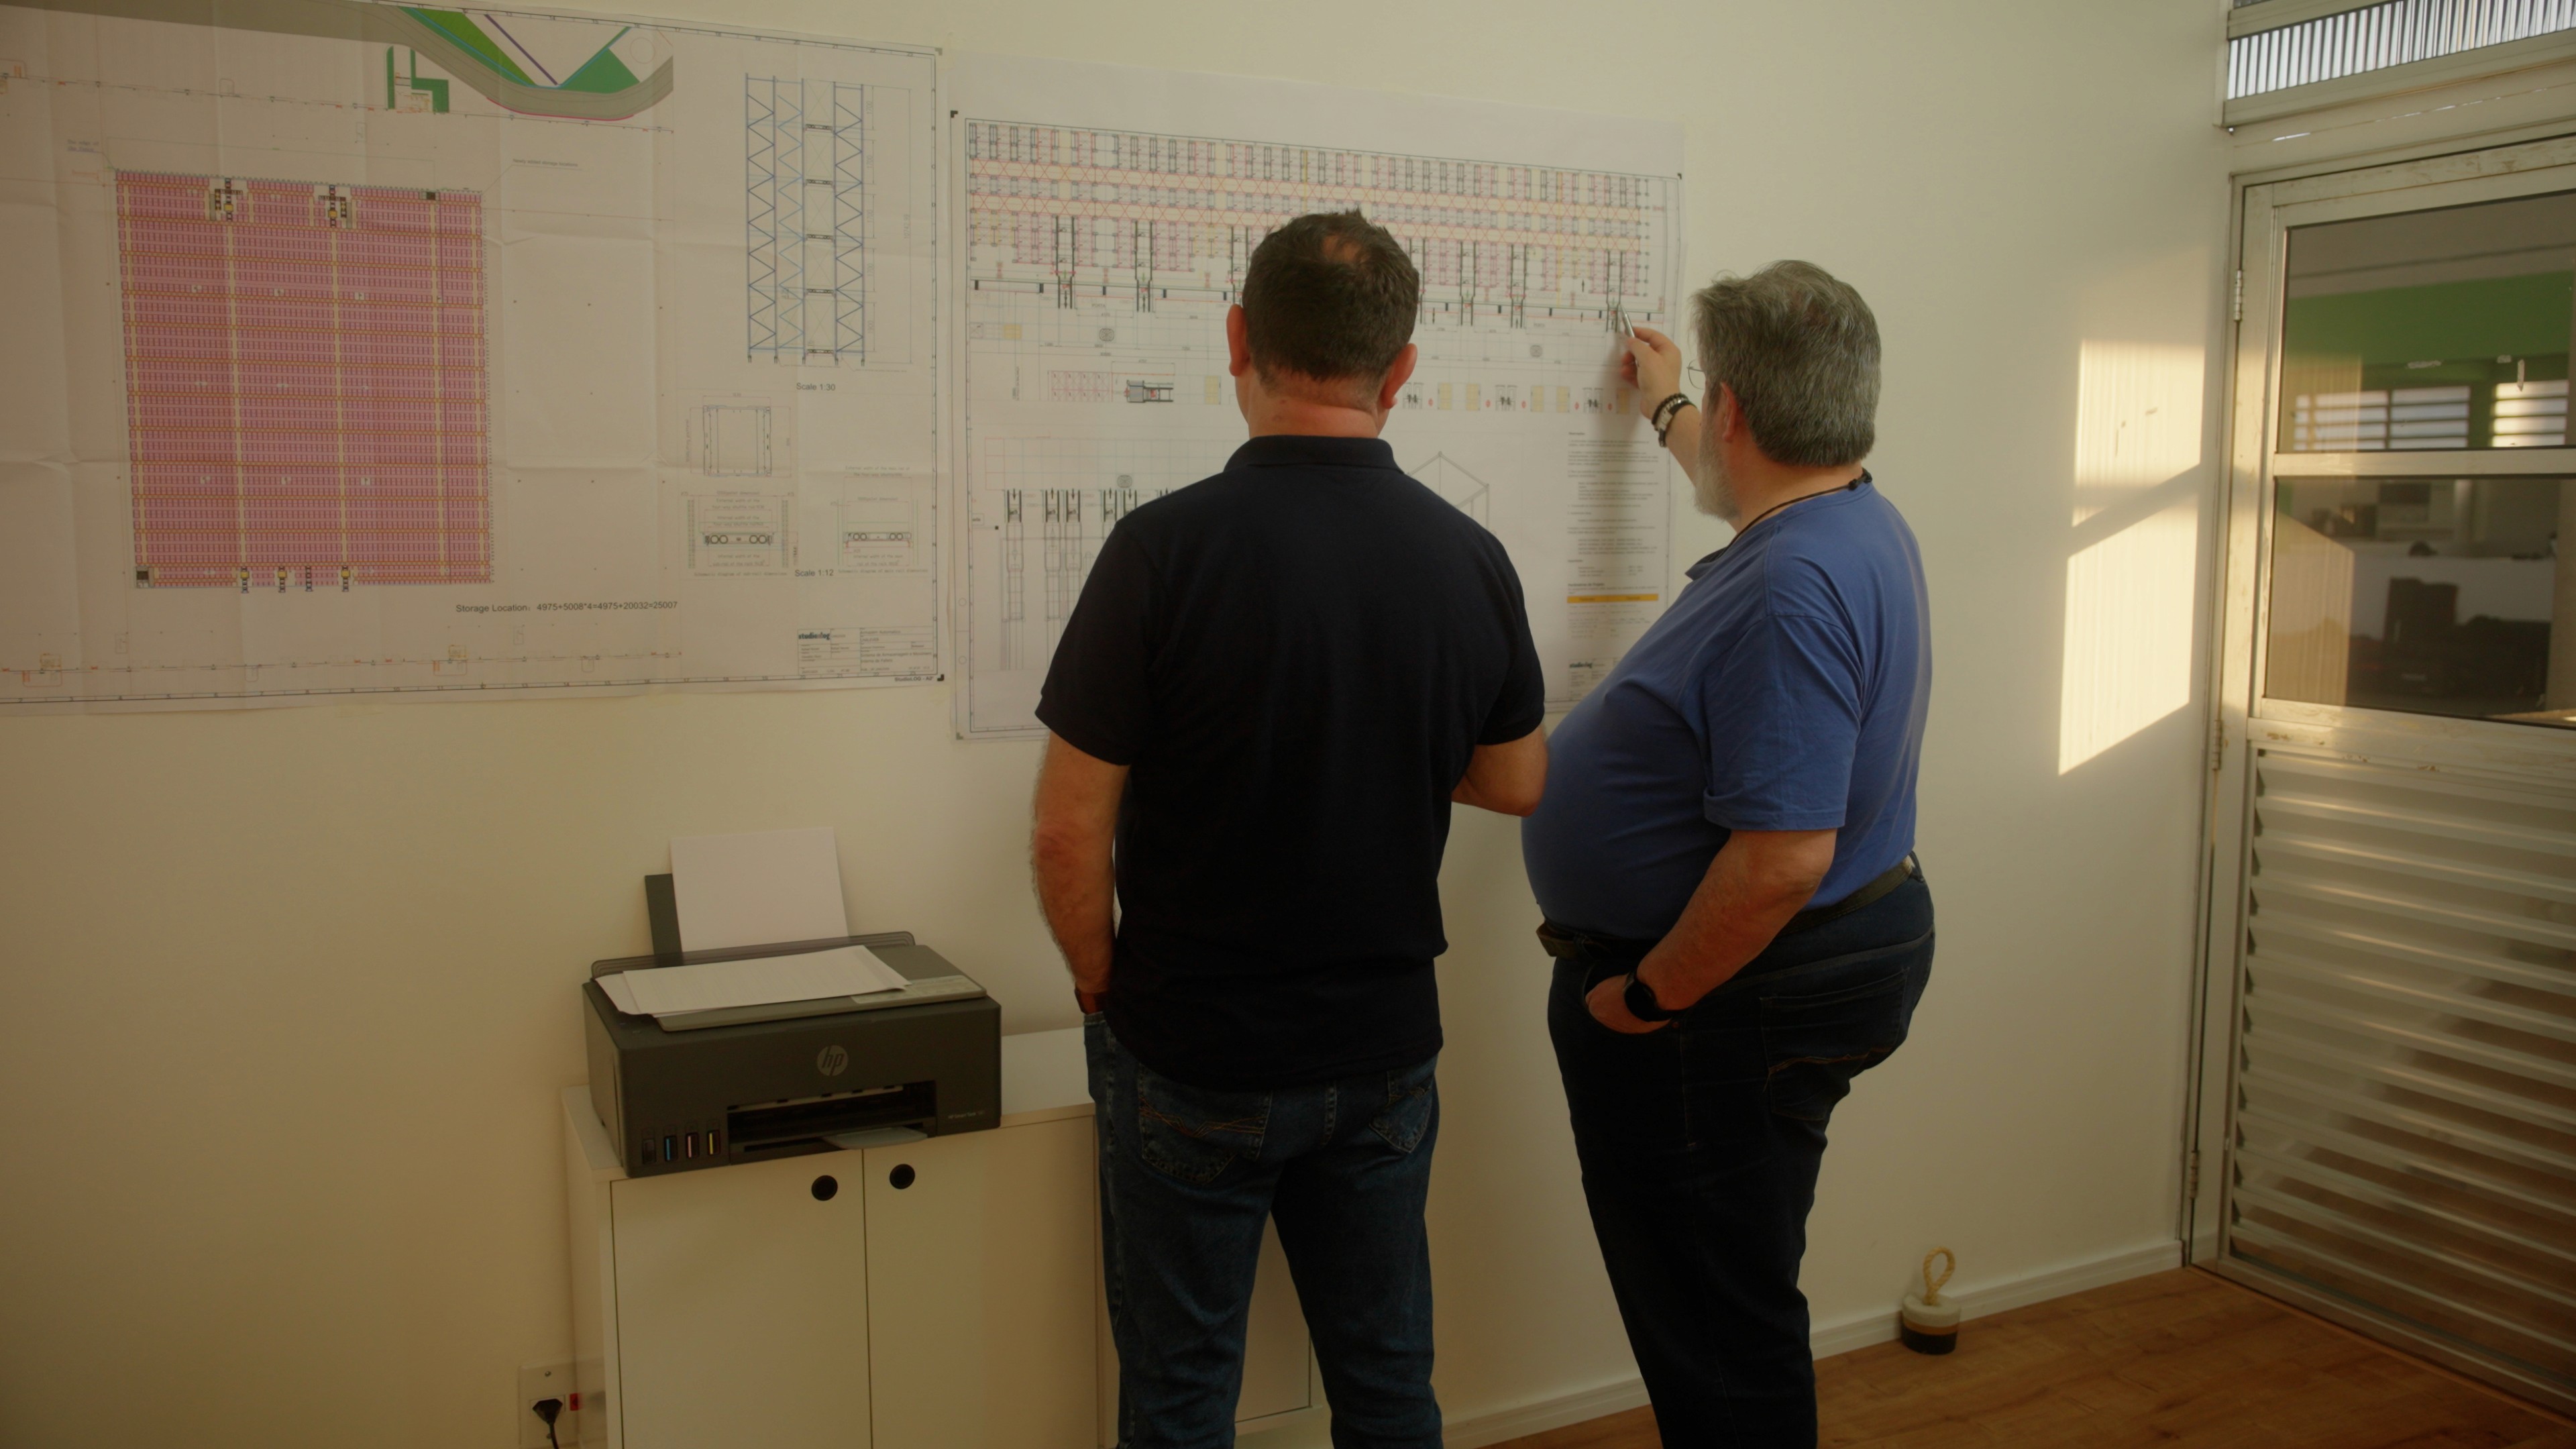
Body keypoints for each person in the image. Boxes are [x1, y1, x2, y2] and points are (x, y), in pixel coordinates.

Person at [1029, 209, 1550, 1449]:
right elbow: (1517, 780)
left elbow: (1065, 834)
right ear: (1400, 368)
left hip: (1191, 1044)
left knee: (1181, 1393)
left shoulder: (1160, 551)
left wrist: (1100, 978)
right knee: (1386, 1381)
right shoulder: (1469, 556)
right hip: (1381, 1053)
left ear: (1237, 341)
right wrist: (1384, 751)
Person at [1520, 261, 1934, 1447]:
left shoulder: (1789, 587)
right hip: (1833, 945)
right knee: (1731, 1274)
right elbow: (1740, 478)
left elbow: (1782, 860)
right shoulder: (1850, 511)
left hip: (1731, 997)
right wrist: (1665, 408)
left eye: (1711, 395)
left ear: (1741, 408)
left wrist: (1651, 997)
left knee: (1715, 1316)